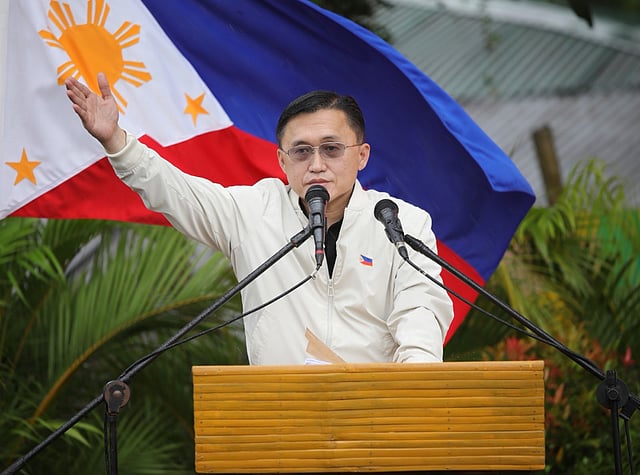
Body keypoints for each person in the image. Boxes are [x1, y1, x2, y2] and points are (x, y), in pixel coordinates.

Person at [65, 73, 454, 365]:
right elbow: (177, 192)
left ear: (362, 155)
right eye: (301, 152)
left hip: (377, 418)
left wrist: (414, 389)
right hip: (279, 418)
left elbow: (420, 311)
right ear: (282, 161)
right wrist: (116, 141)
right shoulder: (253, 212)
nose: (317, 165)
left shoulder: (401, 223)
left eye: (331, 149)